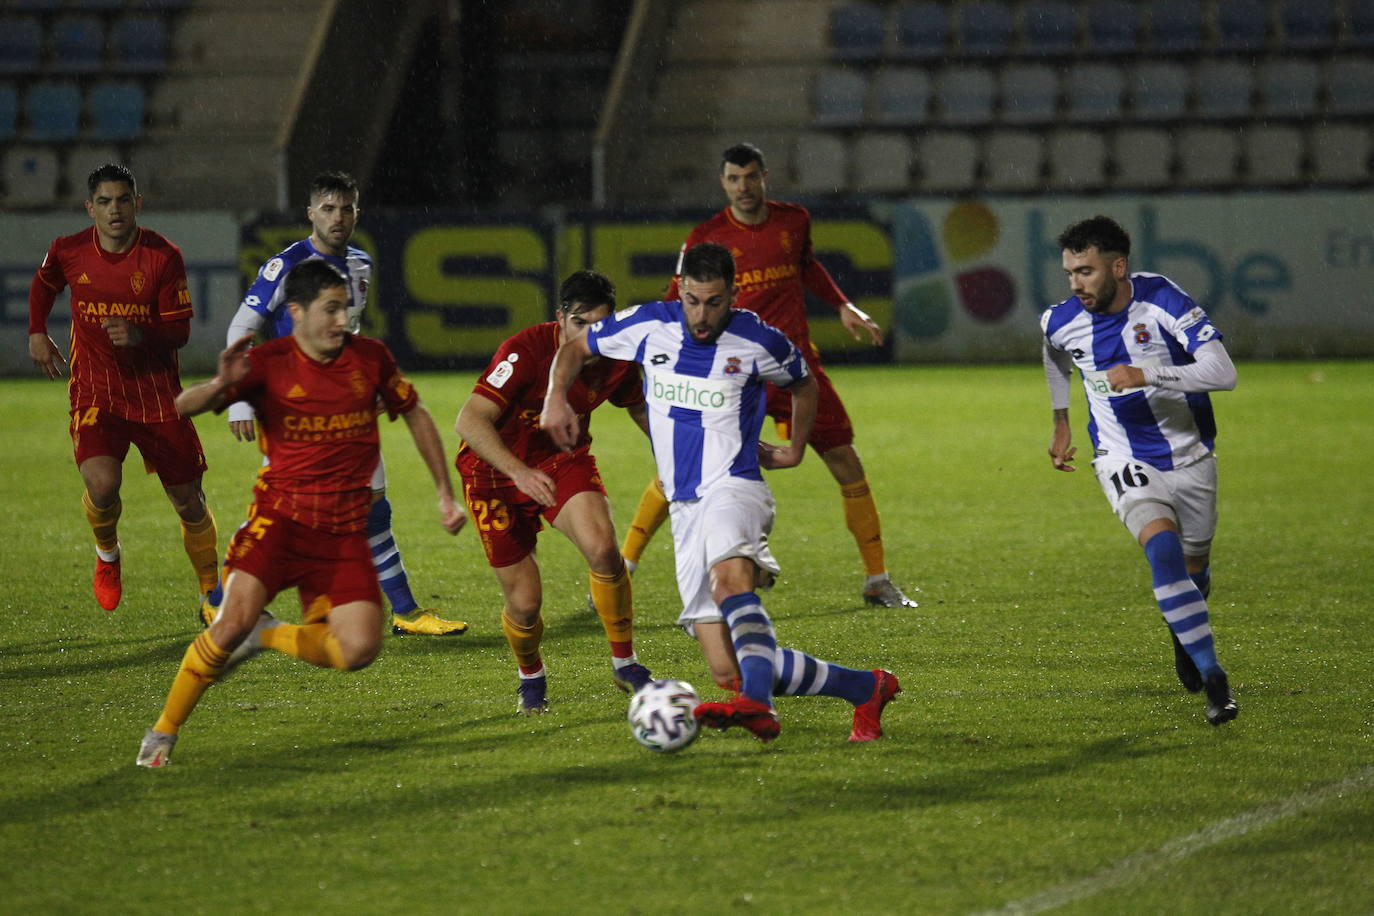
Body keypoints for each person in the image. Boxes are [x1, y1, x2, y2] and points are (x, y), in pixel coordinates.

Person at [543, 243, 900, 744]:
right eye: (692, 300)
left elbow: (804, 383)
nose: (701, 314)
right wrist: (556, 398)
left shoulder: (758, 340)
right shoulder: (648, 325)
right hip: (684, 505)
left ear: (733, 294)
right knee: (727, 669)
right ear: (681, 290)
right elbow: (574, 349)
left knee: (731, 583)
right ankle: (866, 687)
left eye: (713, 302)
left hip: (735, 486)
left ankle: (758, 705)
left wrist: (794, 448)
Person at [137, 260, 466, 767]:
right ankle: (163, 732)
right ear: (296, 312)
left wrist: (445, 493)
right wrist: (219, 386)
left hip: (342, 534)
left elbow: (416, 414)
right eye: (330, 309)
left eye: (345, 308)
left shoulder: (371, 358)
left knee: (359, 650)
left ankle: (266, 635)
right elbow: (183, 405)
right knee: (226, 626)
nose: (341, 320)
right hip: (280, 523)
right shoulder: (268, 363)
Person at [617, 142, 917, 609]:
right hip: (728, 373)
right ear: (723, 183)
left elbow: (807, 266)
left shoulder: (793, 221)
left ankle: (877, 579)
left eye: (751, 177)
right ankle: (624, 566)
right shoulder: (707, 237)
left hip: (793, 365)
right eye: (734, 179)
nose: (743, 187)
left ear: (764, 177)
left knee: (845, 460)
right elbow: (680, 299)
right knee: (683, 471)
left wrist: (842, 304)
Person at [206, 170, 467, 636]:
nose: (338, 217)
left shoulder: (361, 265)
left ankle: (407, 612)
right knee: (286, 516)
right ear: (310, 213)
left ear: (357, 211)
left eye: (346, 208)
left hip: (347, 407)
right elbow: (241, 327)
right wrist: (240, 402)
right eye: (328, 208)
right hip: (293, 410)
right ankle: (221, 600)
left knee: (373, 506)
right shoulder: (285, 266)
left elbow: (350, 333)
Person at [1042, 215, 1238, 727]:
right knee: (1163, 549)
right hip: (1120, 456)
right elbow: (1054, 355)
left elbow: (1223, 372)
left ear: (1118, 266)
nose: (1075, 284)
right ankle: (1215, 677)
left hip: (1191, 457)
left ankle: (1183, 630)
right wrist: (1061, 420)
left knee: (1195, 571)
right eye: (1069, 273)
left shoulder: (1162, 300)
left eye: (1085, 271)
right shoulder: (1061, 320)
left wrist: (1144, 372)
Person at [455, 270, 654, 713]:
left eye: (601, 325)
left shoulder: (617, 358)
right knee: (525, 605)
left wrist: (677, 460)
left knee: (604, 550)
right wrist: (518, 471)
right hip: (493, 473)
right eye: (580, 324)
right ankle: (531, 675)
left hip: (563, 460)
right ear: (560, 317)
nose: (591, 335)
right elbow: (469, 420)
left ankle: (625, 663)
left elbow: (641, 409)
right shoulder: (524, 350)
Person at [27, 163, 220, 612]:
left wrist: (140, 333)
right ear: (89, 207)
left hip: (156, 394)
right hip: (98, 390)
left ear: (138, 203)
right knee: (102, 483)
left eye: (123, 199)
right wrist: (37, 330)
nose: (115, 210)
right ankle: (107, 554)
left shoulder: (162, 256)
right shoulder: (69, 250)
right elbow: (44, 282)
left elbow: (180, 333)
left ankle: (211, 591)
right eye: (105, 201)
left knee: (188, 499)